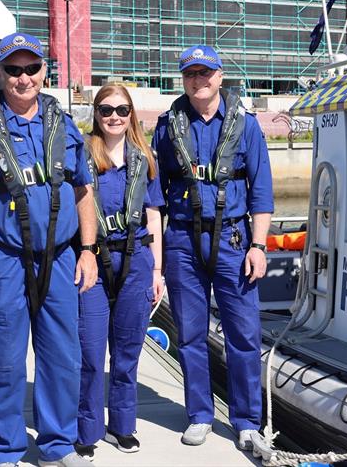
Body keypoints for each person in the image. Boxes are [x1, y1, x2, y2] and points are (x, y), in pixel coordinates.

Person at [0, 32, 97, 467]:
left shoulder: (63, 124)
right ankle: (6, 449)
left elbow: (84, 190)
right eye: (13, 69)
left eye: (31, 68)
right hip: (3, 259)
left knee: (62, 356)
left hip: (60, 256)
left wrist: (87, 250)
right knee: (4, 359)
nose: (23, 77)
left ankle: (57, 446)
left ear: (43, 72)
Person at [151, 45, 274, 450]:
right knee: (189, 334)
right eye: (190, 74)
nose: (198, 80)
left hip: (235, 241)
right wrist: (158, 257)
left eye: (205, 73)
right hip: (183, 240)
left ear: (220, 77)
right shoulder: (169, 126)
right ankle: (200, 415)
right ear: (183, 80)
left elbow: (262, 191)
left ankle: (245, 421)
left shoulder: (246, 125)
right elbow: (157, 192)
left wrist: (258, 245)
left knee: (243, 334)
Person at [75, 84, 164, 460]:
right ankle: (87, 428)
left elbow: (154, 214)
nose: (114, 116)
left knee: (127, 354)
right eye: (107, 109)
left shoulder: (145, 158)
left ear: (132, 115)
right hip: (94, 262)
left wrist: (158, 269)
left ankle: (123, 426)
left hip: (137, 262)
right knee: (91, 353)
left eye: (122, 110)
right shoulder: (81, 156)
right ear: (96, 113)